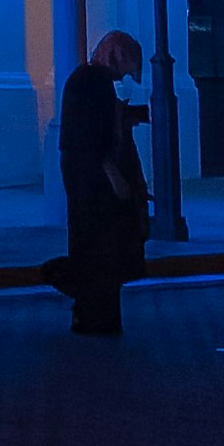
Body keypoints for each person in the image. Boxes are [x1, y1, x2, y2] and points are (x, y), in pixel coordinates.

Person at [52, 30, 152, 336]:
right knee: (102, 250)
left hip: (86, 181)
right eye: (127, 62)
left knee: (96, 248)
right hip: (94, 185)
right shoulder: (92, 82)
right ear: (116, 54)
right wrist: (115, 177)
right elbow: (93, 138)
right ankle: (93, 311)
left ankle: (89, 314)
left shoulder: (87, 81)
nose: (126, 73)